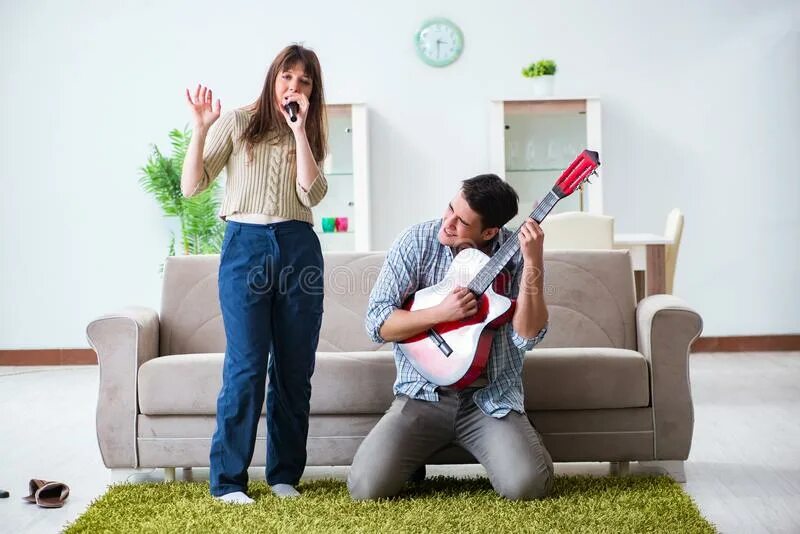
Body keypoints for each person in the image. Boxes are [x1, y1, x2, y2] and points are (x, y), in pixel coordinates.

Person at [181, 44, 328, 503]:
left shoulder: (311, 132)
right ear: (273, 79)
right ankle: (227, 481)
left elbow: (313, 194)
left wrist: (300, 132)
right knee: (245, 366)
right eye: (288, 77)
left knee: (293, 369)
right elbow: (192, 187)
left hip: (298, 247)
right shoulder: (238, 123)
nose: (294, 87)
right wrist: (201, 130)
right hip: (245, 246)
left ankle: (284, 476)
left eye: (304, 81)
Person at [348, 174, 554, 501]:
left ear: (490, 232)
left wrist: (532, 263)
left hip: (488, 400)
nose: (448, 223)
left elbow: (527, 337)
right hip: (423, 395)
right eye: (449, 210)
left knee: (526, 486)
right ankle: (412, 454)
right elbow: (377, 324)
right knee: (364, 489)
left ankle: (517, 440)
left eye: (462, 222)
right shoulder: (417, 242)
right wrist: (442, 313)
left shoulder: (516, 255)